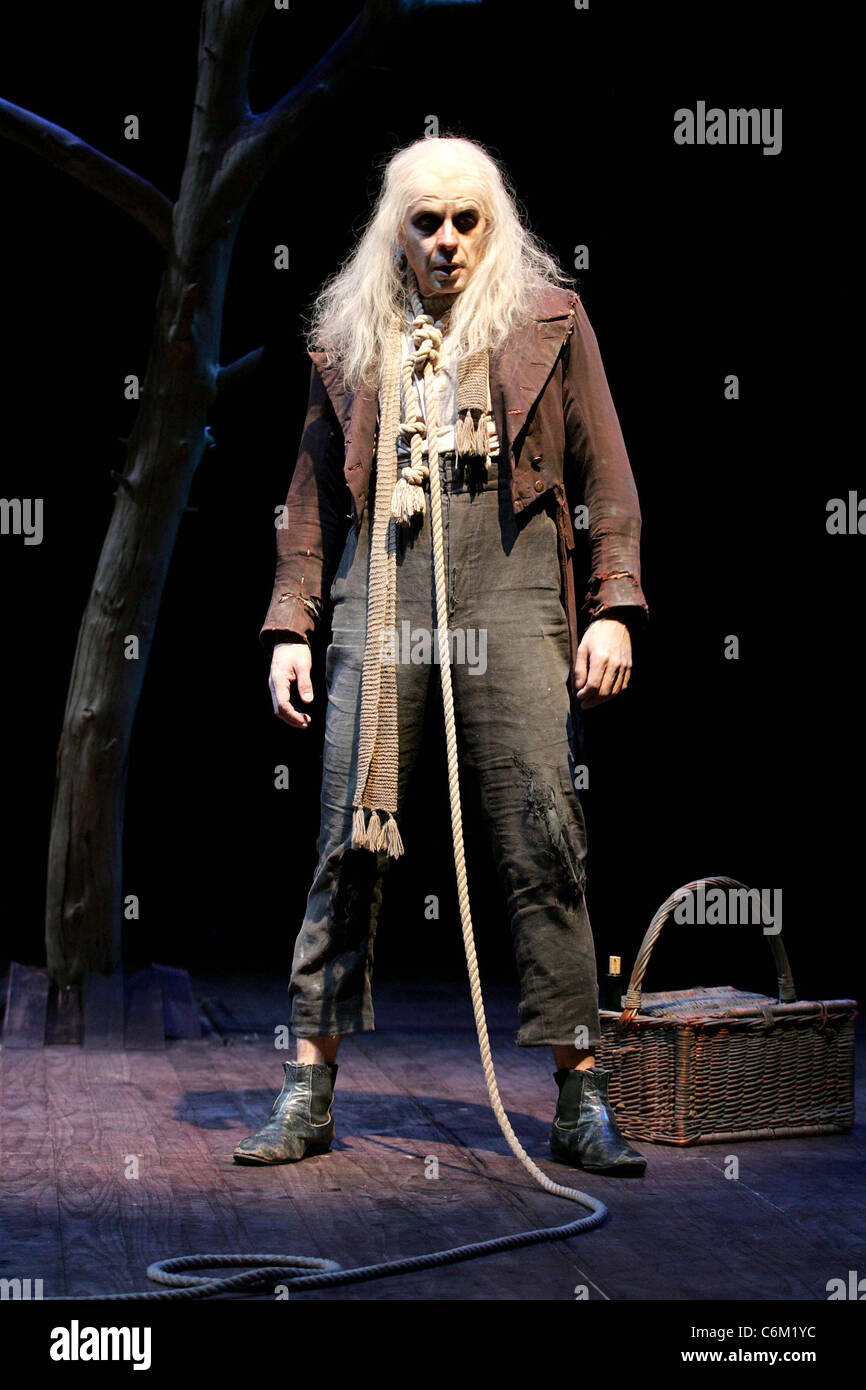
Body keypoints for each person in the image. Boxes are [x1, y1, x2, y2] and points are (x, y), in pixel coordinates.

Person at [234, 135, 648, 1176]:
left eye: (467, 220)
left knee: (541, 827)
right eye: (427, 222)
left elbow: (606, 470)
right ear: (398, 230)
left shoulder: (546, 320)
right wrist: (291, 621)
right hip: (383, 573)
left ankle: (577, 1091)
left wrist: (614, 606)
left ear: (491, 225)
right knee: (347, 826)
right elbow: (308, 495)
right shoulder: (348, 336)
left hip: (507, 567)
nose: (449, 241)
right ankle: (309, 1084)